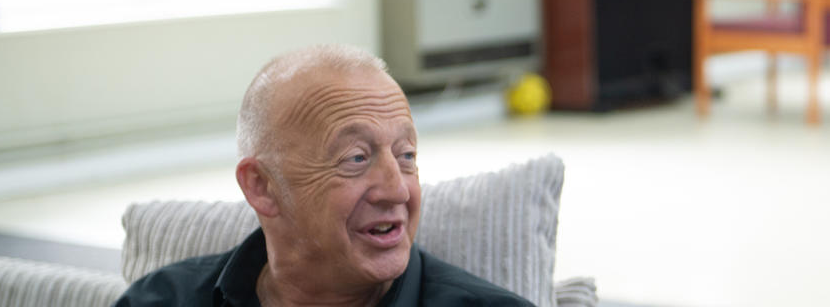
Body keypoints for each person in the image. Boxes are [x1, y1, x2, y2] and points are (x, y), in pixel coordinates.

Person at [117, 45, 534, 307]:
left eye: (406, 155)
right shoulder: (162, 298)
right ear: (262, 187)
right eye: (355, 158)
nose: (396, 189)